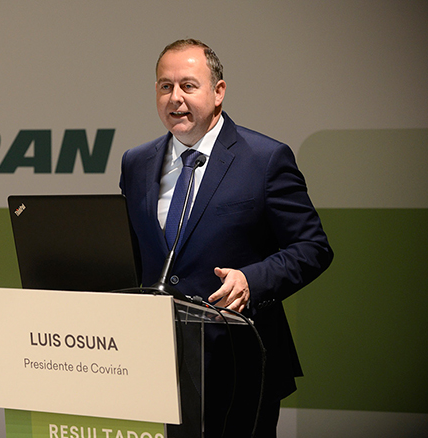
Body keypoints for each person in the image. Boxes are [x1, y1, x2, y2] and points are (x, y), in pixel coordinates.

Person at [119, 39, 333, 437]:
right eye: (165, 86)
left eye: (188, 85)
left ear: (218, 91)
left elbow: (312, 247)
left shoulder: (265, 159)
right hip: (155, 364)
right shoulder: (136, 162)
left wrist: (253, 280)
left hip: (240, 363)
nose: (175, 98)